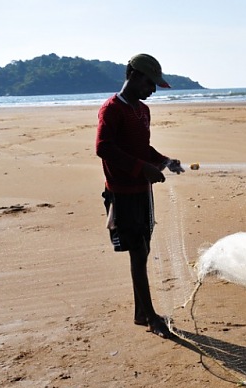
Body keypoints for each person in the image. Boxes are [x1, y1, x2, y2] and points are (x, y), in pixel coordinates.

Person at [95, 53, 184, 339]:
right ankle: (151, 318)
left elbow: (142, 148)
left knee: (143, 250)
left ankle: (140, 311)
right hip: (122, 194)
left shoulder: (143, 110)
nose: (153, 90)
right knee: (137, 253)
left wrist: (164, 160)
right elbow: (104, 148)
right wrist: (140, 168)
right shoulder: (112, 109)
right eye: (150, 82)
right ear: (133, 75)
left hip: (142, 192)